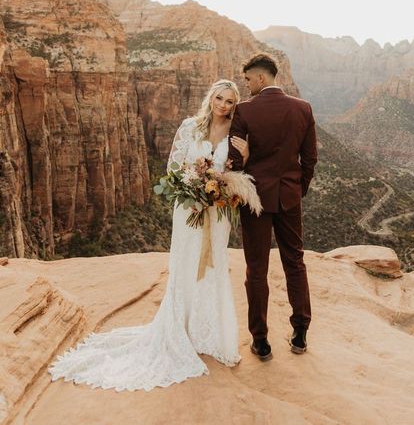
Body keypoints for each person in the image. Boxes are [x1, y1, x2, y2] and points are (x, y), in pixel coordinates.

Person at [49, 79, 249, 391]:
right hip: (188, 211)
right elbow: (173, 168)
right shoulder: (189, 126)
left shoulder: (236, 134)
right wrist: (193, 185)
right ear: (210, 98)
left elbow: (238, 172)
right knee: (185, 267)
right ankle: (180, 330)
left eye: (230, 102)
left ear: (235, 106)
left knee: (214, 266)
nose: (223, 105)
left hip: (217, 213)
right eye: (219, 98)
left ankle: (208, 334)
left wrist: (236, 167)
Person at [228, 54, 317, 361]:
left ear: (262, 78)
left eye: (249, 80)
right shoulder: (303, 108)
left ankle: (261, 339)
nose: (247, 85)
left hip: (255, 201)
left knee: (257, 269)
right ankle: (300, 333)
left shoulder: (244, 111)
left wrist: (250, 160)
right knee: (295, 262)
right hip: (289, 197)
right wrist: (296, 190)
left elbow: (234, 163)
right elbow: (310, 159)